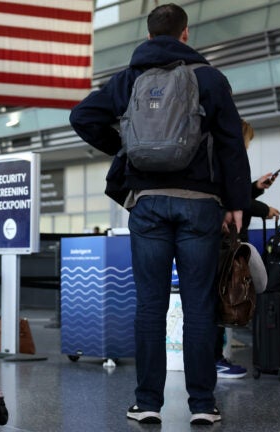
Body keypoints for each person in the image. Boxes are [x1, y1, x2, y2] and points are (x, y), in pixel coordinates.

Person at [69, 3, 251, 426]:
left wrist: (128, 148)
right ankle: (203, 404)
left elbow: (82, 116)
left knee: (150, 305)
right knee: (199, 306)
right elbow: (230, 144)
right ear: (186, 34)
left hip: (147, 203)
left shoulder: (129, 78)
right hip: (200, 205)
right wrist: (237, 202)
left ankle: (147, 401)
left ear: (150, 37)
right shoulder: (210, 78)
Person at [215, 120, 280, 379]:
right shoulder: (229, 160)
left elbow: (240, 195)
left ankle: (215, 358)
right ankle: (215, 359)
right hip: (226, 243)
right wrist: (264, 210)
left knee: (222, 298)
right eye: (248, 140)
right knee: (225, 297)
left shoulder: (221, 158)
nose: (248, 145)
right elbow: (235, 199)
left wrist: (256, 188)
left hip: (227, 242)